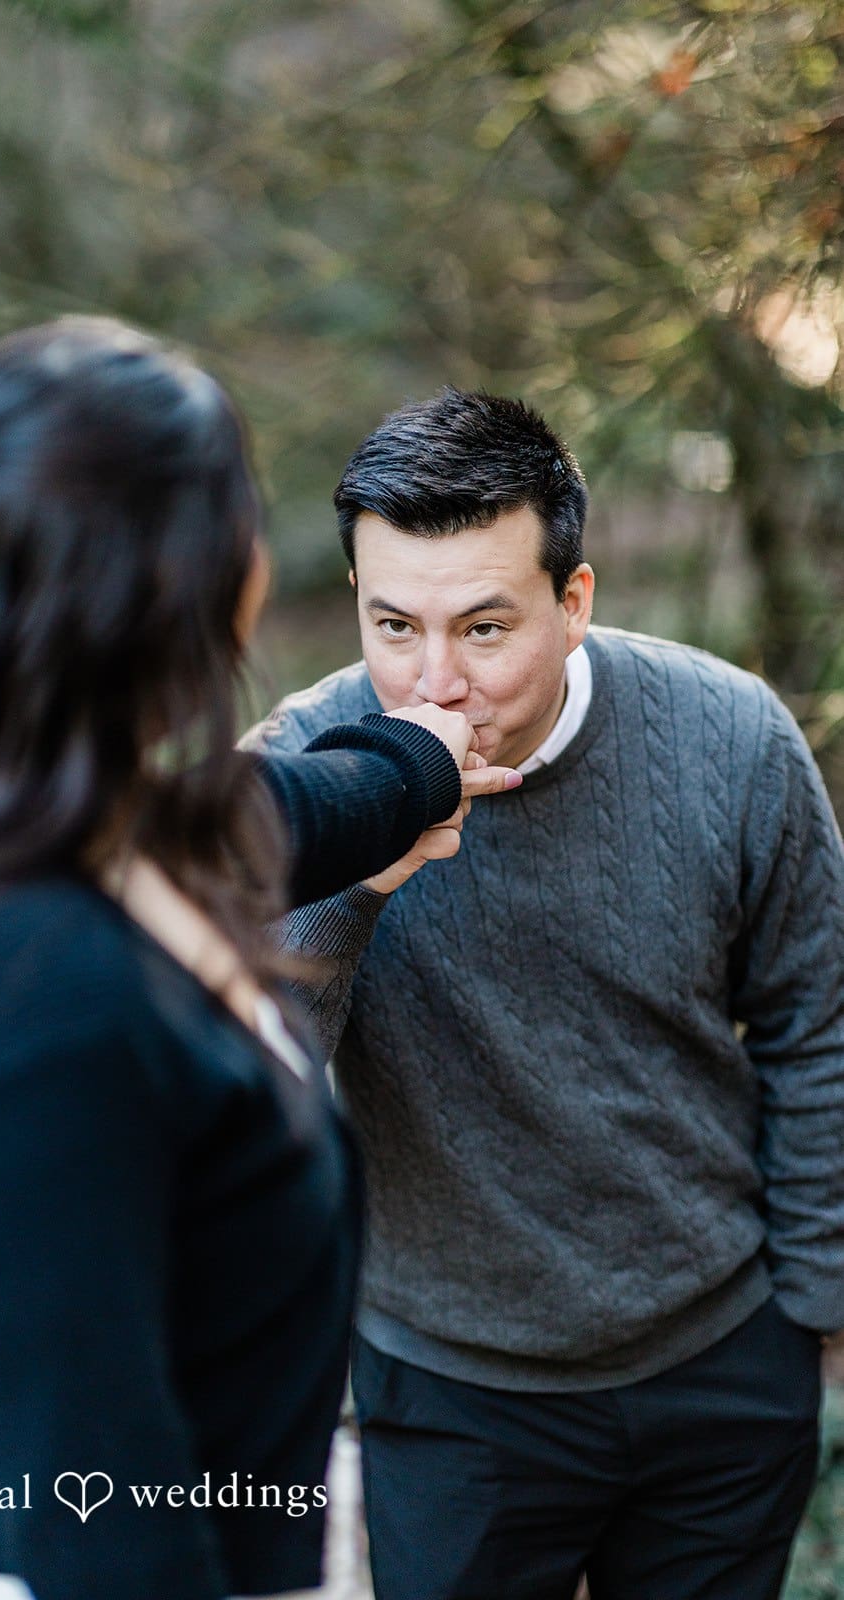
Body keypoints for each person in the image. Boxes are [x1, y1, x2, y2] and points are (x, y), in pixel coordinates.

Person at [0, 323, 521, 1600]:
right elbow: (102, 1521)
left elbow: (280, 812)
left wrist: (417, 760)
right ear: (196, 580)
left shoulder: (69, 829)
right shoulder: (29, 999)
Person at [244, 387, 844, 1600]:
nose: (434, 683)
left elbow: (814, 1020)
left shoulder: (728, 736)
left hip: (719, 1360)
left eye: (481, 626)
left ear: (573, 603)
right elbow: (248, 1080)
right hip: (451, 1391)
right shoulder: (304, 766)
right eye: (392, 624)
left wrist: (815, 1310)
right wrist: (355, 886)